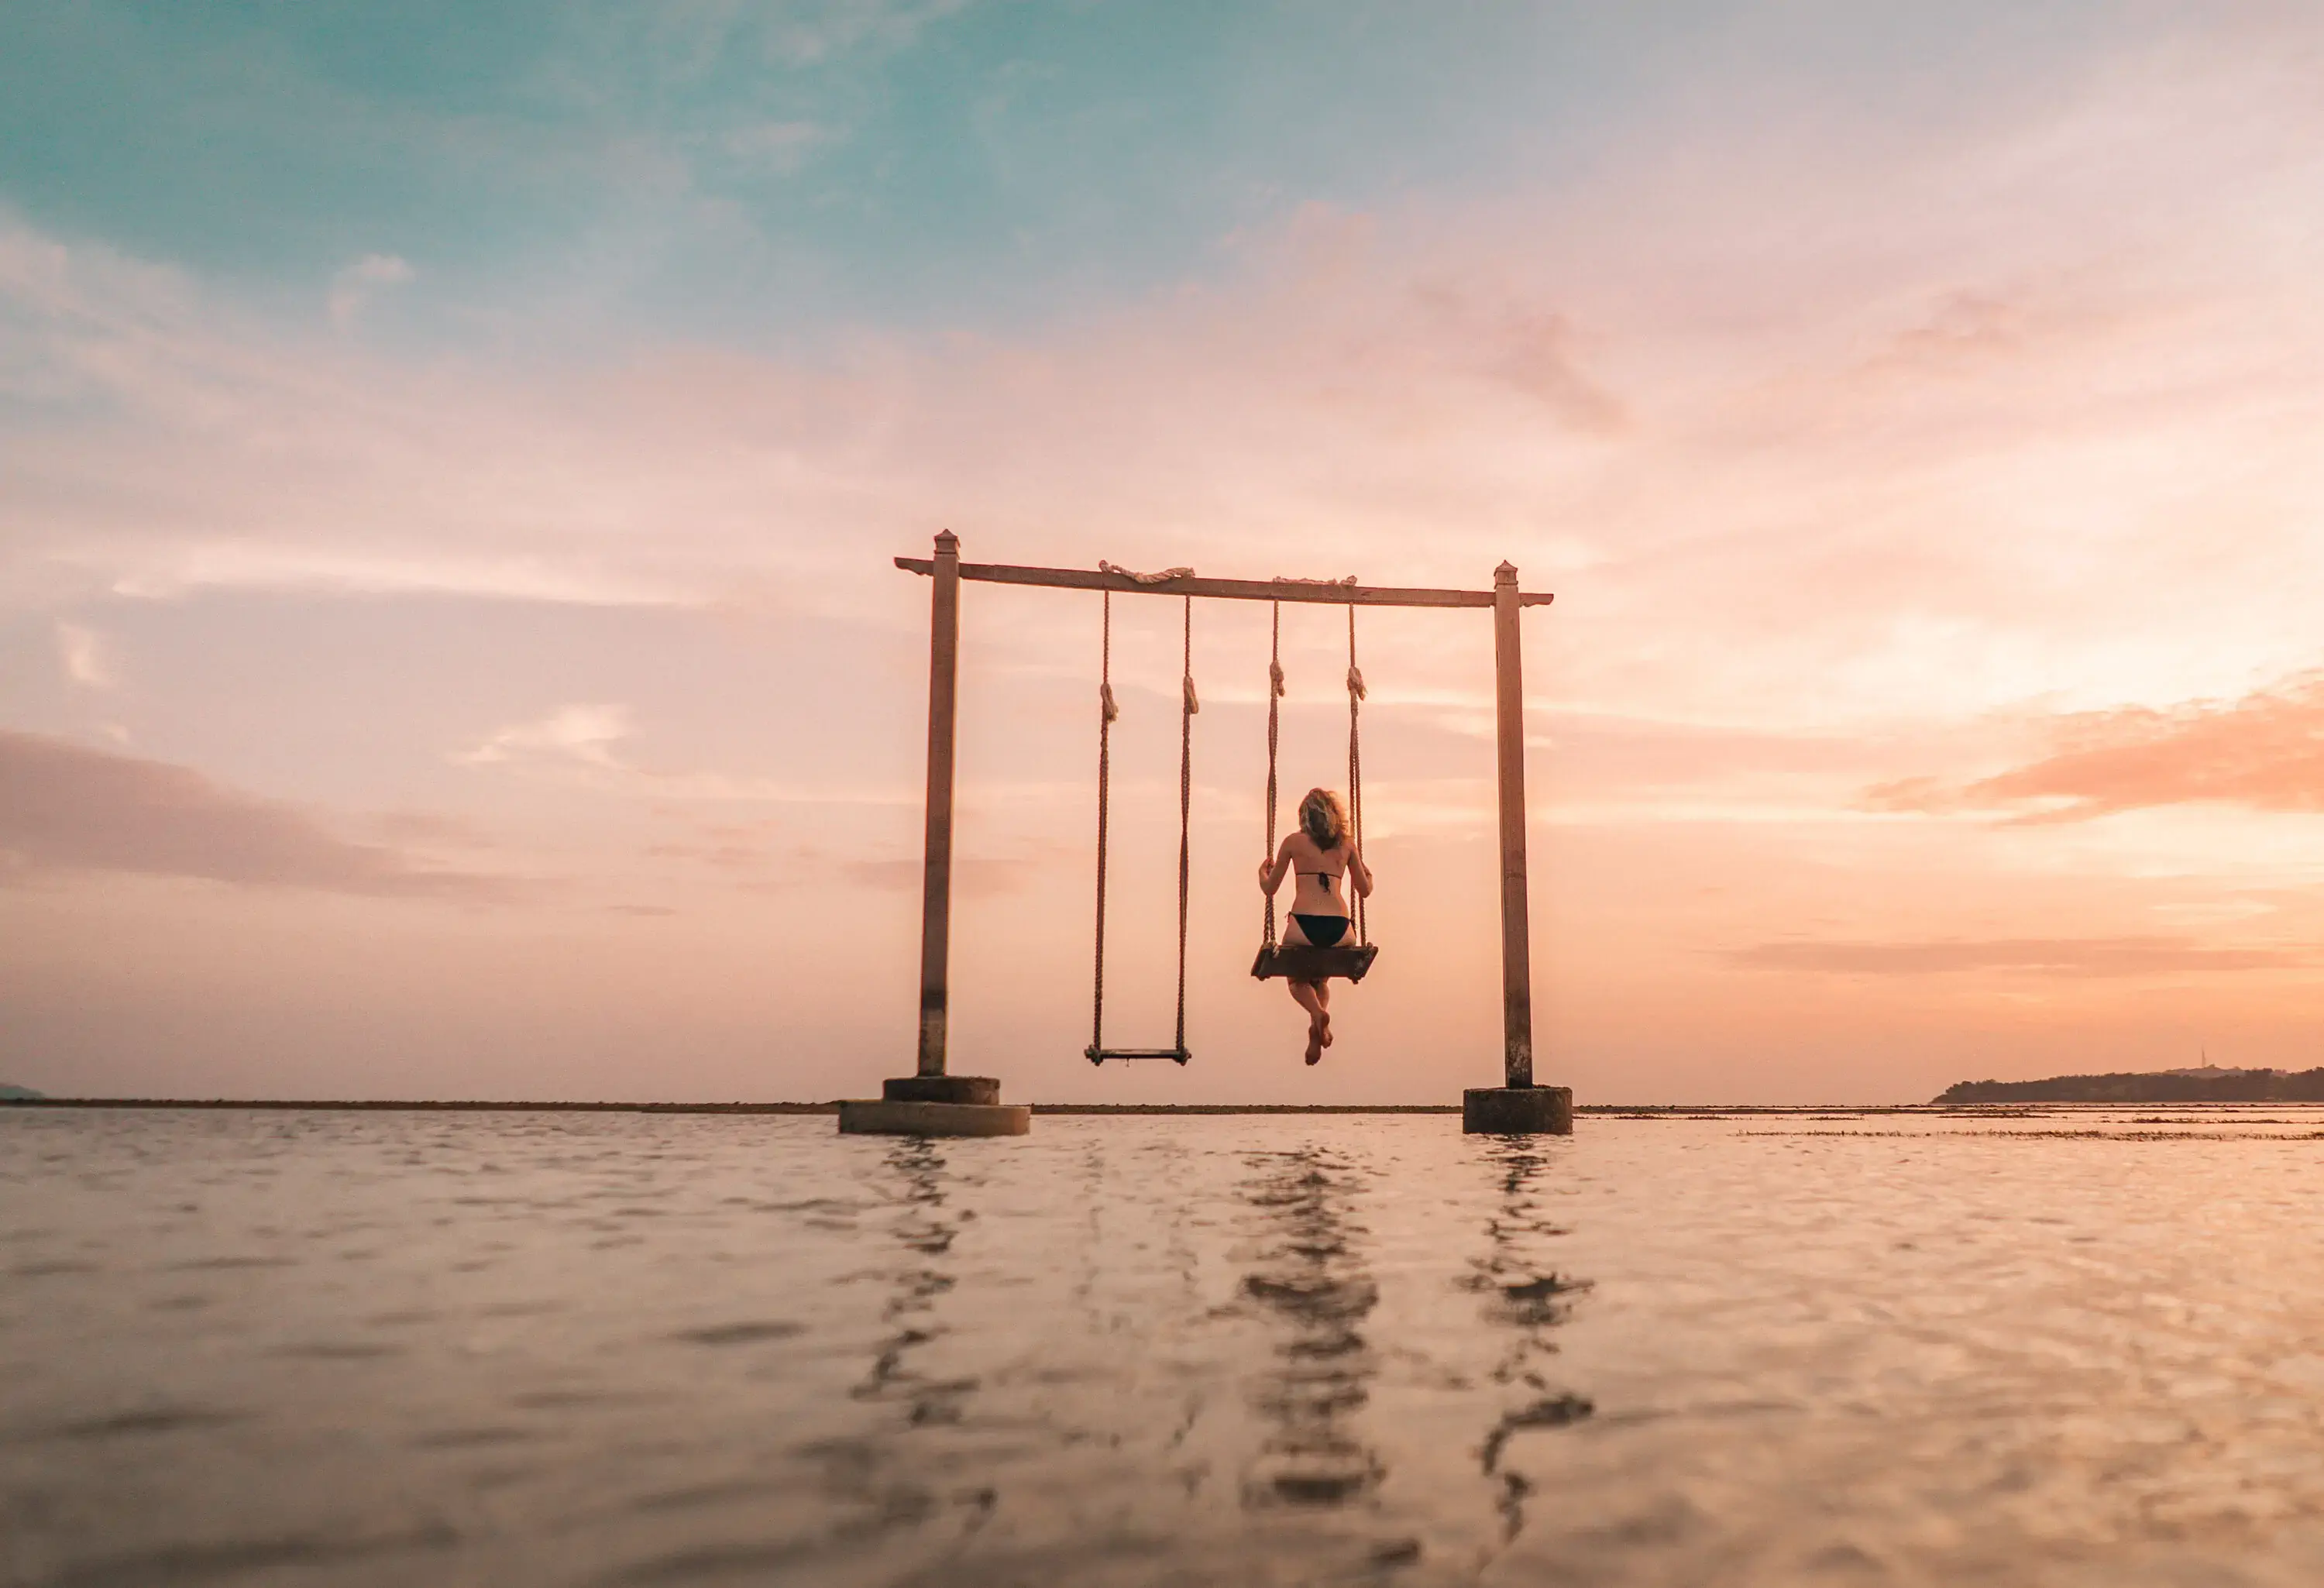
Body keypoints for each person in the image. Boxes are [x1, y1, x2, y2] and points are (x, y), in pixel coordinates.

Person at [1257, 788, 1373, 1066]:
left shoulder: (1293, 842)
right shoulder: (1347, 845)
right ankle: (1318, 1018)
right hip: (1340, 930)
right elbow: (1365, 890)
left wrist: (1262, 874)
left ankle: (1318, 1014)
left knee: (1297, 980)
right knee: (1321, 978)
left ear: (1303, 816)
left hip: (1304, 926)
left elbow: (1270, 888)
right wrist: (1369, 875)